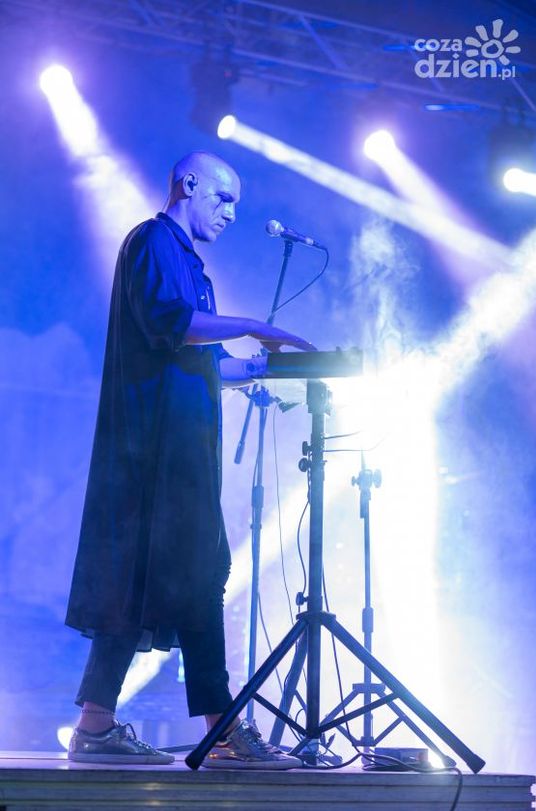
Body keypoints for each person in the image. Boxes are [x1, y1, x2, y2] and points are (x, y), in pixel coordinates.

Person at [65, 151, 314, 769]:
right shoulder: (153, 242)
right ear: (189, 184)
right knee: (203, 573)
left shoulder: (188, 263)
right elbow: (175, 324)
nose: (230, 213)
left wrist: (265, 365)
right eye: (223, 198)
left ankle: (95, 726)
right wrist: (253, 323)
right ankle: (223, 731)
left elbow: (205, 361)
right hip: (156, 453)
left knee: (139, 584)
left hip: (171, 454)